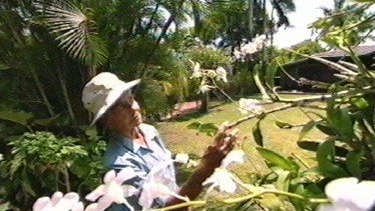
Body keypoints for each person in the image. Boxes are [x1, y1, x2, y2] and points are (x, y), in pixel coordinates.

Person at [82, 72, 237, 210]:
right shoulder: (118, 164)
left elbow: (165, 170)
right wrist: (205, 168)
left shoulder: (149, 131)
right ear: (107, 120)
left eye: (131, 99)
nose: (134, 108)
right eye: (123, 106)